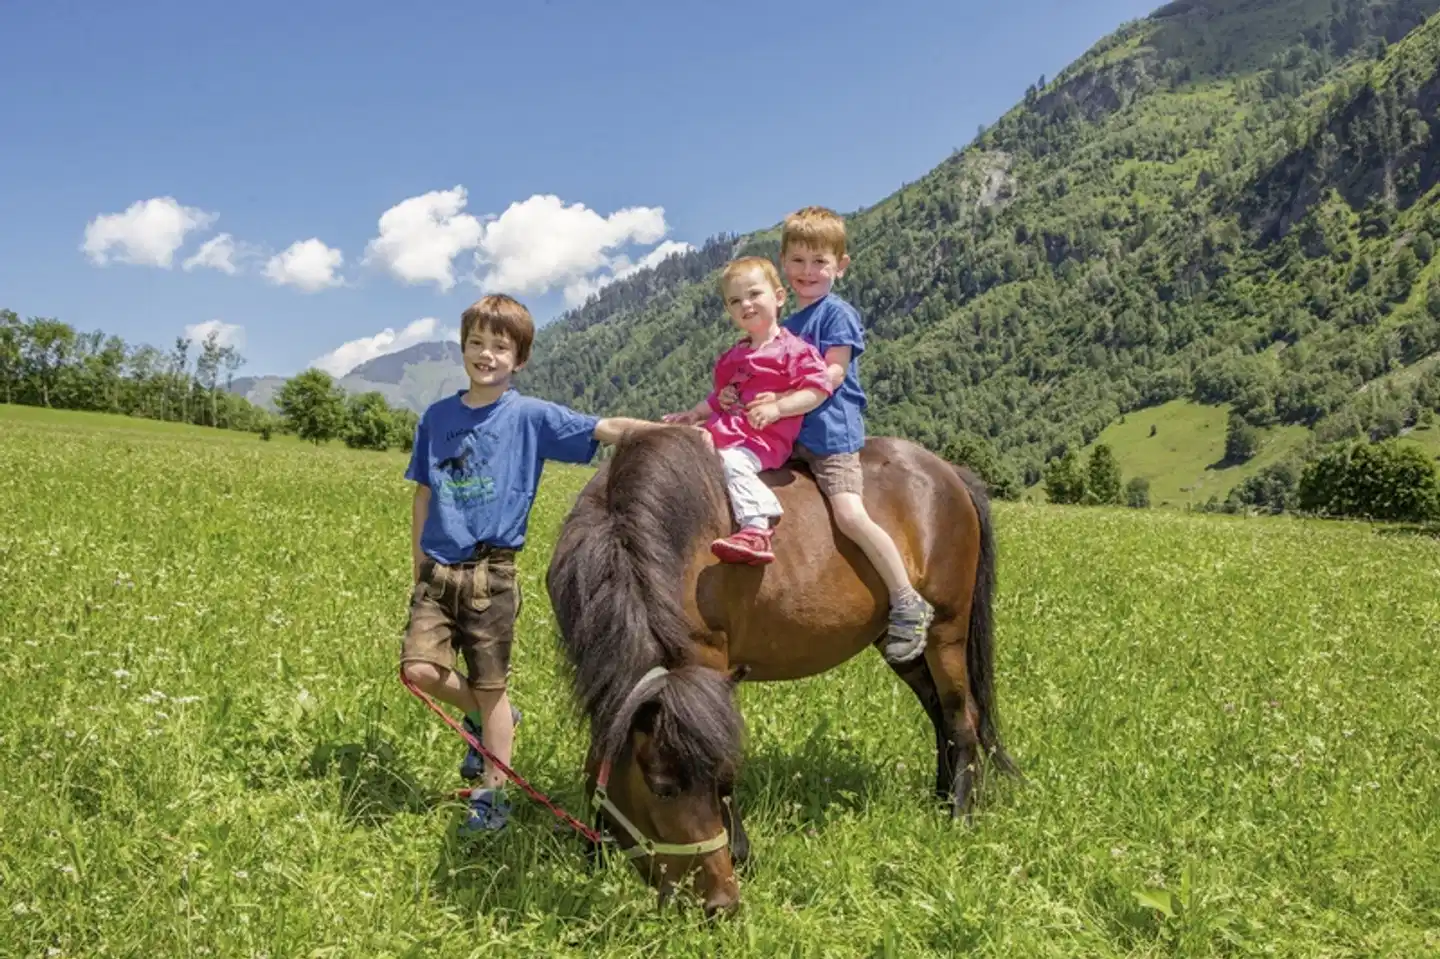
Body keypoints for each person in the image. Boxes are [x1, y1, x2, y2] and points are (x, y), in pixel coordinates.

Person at [400, 293, 661, 834]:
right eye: (477, 343)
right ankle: (491, 719)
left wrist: (666, 432)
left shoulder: (530, 416)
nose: (487, 354)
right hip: (438, 569)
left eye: (501, 347)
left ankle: (492, 797)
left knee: (491, 685)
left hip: (492, 573)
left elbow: (602, 428)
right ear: (463, 348)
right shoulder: (437, 418)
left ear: (518, 359)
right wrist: (419, 559)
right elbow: (424, 491)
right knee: (419, 671)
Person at [722, 206, 934, 664]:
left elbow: (830, 376)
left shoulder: (836, 315)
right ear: (783, 265)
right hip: (785, 438)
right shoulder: (785, 326)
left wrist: (779, 405)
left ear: (841, 266)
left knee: (849, 514)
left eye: (819, 262)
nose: (807, 272)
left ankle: (905, 600)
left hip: (829, 437)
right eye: (797, 261)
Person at [663, 256, 833, 564]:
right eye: (735, 301)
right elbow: (719, 397)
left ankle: (756, 527)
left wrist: (779, 407)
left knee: (731, 464)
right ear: (729, 311)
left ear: (778, 297)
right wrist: (694, 414)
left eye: (754, 294)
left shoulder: (794, 350)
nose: (746, 304)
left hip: (762, 441)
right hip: (724, 432)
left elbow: (817, 390)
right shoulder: (734, 356)